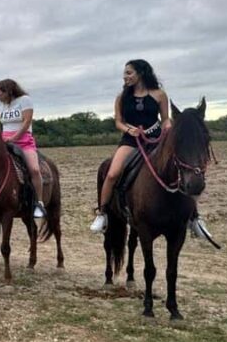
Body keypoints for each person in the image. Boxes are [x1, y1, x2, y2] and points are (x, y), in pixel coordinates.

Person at [90, 59, 212, 240]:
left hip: (157, 140)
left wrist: (168, 127)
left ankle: (194, 218)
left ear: (141, 73)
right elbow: (118, 122)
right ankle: (103, 213)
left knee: (180, 170)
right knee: (112, 173)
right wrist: (130, 130)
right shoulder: (121, 97)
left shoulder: (159, 95)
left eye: (129, 73)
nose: (125, 77)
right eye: (125, 73)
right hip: (131, 141)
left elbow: (164, 119)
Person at [0, 79, 46, 218]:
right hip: (5, 142)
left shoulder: (25, 100)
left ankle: (39, 203)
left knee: (34, 169)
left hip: (23, 141)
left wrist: (14, 137)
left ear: (8, 91)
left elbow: (27, 122)